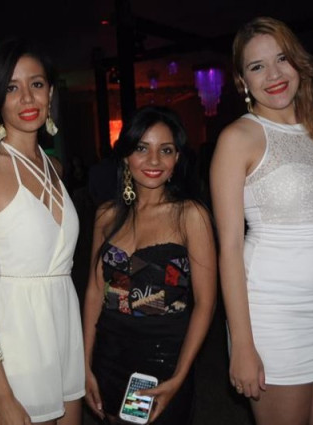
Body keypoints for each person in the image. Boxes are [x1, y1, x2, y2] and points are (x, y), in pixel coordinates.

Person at [209, 17, 313, 425]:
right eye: (257, 66)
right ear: (241, 81)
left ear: (298, 63)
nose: (274, 74)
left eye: (282, 58)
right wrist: (243, 344)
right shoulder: (238, 139)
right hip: (272, 321)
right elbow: (229, 247)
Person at [0, 38, 84, 425]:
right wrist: (0, 390)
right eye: (12, 87)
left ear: (50, 93)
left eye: (36, 84)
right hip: (16, 343)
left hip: (65, 332)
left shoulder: (55, 168)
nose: (27, 97)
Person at [83, 106, 217, 425]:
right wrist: (84, 366)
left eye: (165, 150)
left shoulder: (190, 215)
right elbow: (94, 292)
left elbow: (206, 303)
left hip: (163, 360)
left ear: (177, 159)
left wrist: (179, 375)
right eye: (142, 148)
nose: (154, 160)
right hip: (109, 355)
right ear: (126, 155)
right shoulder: (106, 215)